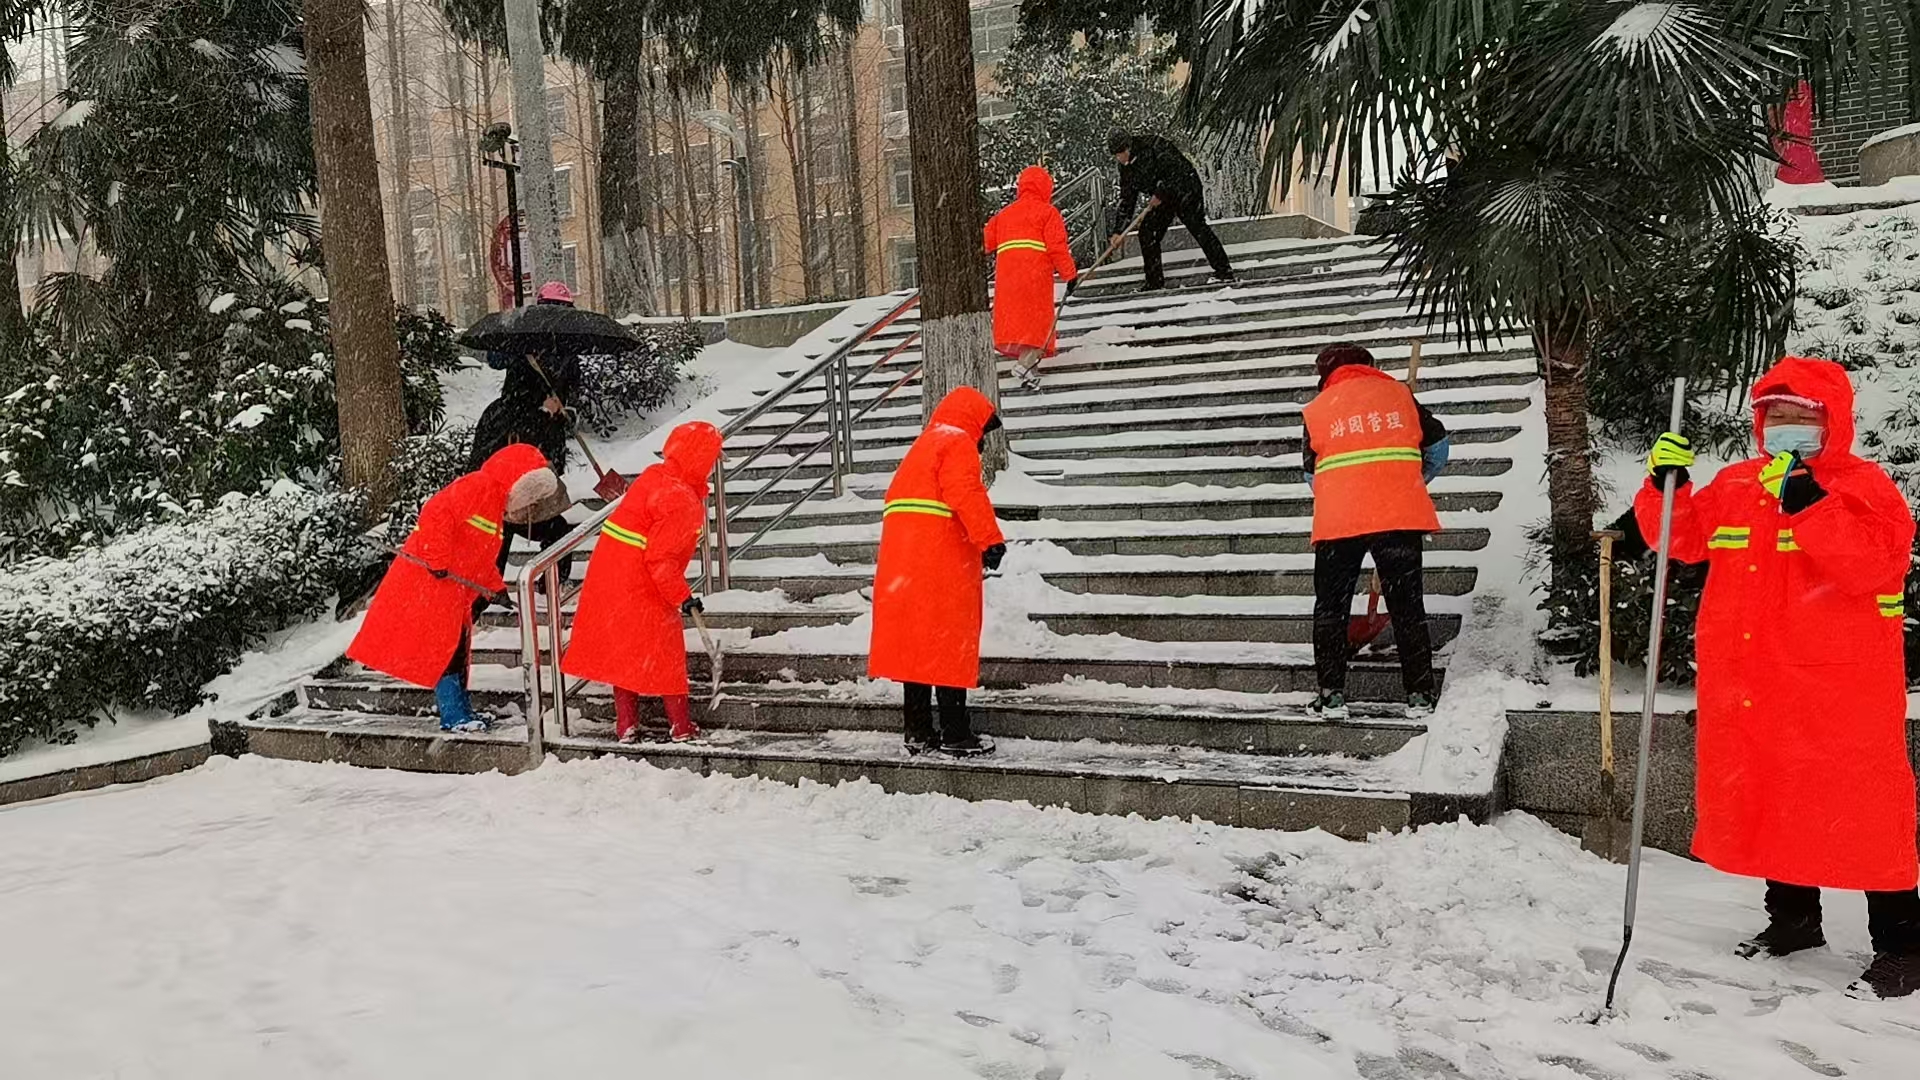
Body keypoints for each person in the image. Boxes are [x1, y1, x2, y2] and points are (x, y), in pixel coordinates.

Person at [1638, 355, 1919, 1000]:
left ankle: (1905, 945)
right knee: (1773, 796)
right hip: (1755, 683)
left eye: (1803, 418)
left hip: (1839, 688)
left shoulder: (1862, 486)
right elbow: (1678, 541)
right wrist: (1664, 485)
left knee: (1864, 809)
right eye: (1776, 417)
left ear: (1832, 422)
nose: (1787, 428)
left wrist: (1814, 508)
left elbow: (1878, 566)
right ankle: (1793, 922)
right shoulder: (1739, 484)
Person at [347, 444, 559, 732]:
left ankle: (462, 710)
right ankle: (452, 714)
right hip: (435, 585)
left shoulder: (495, 508)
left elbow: (480, 559)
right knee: (446, 652)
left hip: (453, 593)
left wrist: (495, 588)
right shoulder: (478, 486)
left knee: (457, 651)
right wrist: (437, 559)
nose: (527, 505)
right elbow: (436, 511)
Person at [1300, 343, 1451, 721]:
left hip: (1339, 522)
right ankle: (1418, 696)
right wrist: (1410, 479)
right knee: (1407, 607)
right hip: (1397, 514)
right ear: (1370, 366)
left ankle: (1331, 695)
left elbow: (1310, 475)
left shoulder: (1318, 410)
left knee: (1331, 608)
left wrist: (1347, 493)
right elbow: (1440, 449)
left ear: (1326, 374)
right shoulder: (1400, 396)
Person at [562, 421, 725, 744]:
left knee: (624, 651)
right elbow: (661, 560)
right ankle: (680, 725)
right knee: (666, 651)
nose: (714, 464)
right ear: (699, 459)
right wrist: (682, 597)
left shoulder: (655, 477)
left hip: (610, 576)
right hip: (642, 581)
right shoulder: (680, 500)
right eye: (712, 457)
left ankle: (626, 725)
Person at [868, 386, 1007, 757]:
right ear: (973, 423)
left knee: (915, 646)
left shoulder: (922, 445)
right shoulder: (956, 441)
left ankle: (917, 731)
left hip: (904, 565)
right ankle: (955, 733)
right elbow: (965, 492)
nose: (982, 439)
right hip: (940, 562)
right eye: (984, 430)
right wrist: (990, 540)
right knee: (948, 643)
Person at [468, 281, 583, 580]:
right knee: (516, 511)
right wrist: (540, 403)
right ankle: (501, 581)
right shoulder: (523, 342)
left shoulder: (567, 347)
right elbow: (501, 368)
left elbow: (573, 383)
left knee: (542, 509)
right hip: (520, 435)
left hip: (546, 434)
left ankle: (545, 580)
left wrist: (562, 403)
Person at [985, 165, 1079, 384]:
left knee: (1018, 321)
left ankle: (1025, 361)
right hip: (1034, 276)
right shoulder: (1047, 213)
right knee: (1038, 322)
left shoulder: (1004, 215)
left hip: (1008, 279)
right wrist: (1070, 274)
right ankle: (1025, 364)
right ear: (1045, 188)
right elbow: (1057, 247)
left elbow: (985, 242)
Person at [1108, 129, 1235, 292]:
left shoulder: (1153, 146)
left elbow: (1177, 171)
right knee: (1147, 231)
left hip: (1186, 188)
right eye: (1116, 155)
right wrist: (1119, 231)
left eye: (1121, 153)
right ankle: (1154, 283)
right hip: (1163, 198)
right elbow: (1127, 199)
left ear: (1129, 147)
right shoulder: (1125, 168)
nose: (1120, 158)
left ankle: (1224, 272)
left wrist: (1161, 192)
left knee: (1197, 227)